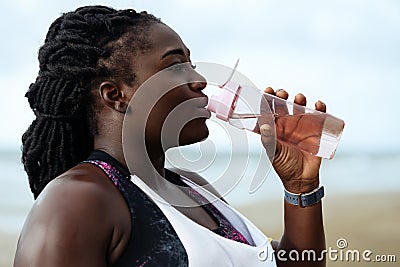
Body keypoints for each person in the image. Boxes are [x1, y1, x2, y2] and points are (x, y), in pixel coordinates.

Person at [14, 5, 327, 267]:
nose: (200, 80)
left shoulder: (192, 187)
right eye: (176, 66)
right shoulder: (79, 200)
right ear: (116, 96)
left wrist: (300, 187)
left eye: (191, 65)